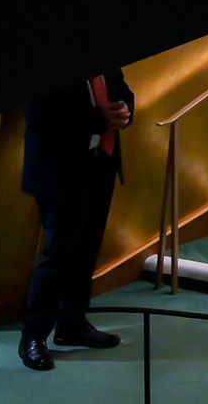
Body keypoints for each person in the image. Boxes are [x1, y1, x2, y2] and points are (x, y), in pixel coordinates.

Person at [19, 69, 133, 370]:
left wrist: (126, 109)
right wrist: (99, 118)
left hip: (99, 166)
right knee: (59, 253)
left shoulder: (104, 51)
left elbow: (122, 91)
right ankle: (33, 335)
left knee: (87, 250)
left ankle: (72, 324)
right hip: (59, 171)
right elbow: (39, 119)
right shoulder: (46, 59)